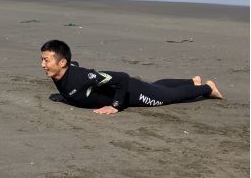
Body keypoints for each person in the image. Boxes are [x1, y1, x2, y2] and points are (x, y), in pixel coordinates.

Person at [40, 39, 223, 115]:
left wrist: (115, 106)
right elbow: (75, 65)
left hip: (131, 92)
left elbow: (122, 78)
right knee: (157, 86)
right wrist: (65, 95)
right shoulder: (63, 73)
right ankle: (192, 81)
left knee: (166, 96)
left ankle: (207, 88)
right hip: (132, 88)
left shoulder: (85, 77)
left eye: (46, 60)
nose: (42, 65)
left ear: (62, 62)